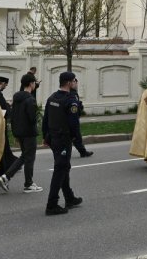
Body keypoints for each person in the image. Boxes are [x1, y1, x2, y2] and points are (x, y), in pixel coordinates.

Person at [41, 71, 84, 216]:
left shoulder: (52, 97)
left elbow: (45, 119)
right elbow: (74, 123)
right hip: (63, 139)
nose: (75, 83)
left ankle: (69, 197)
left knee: (64, 166)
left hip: (53, 138)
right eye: (74, 81)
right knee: (60, 168)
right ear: (69, 83)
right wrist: (76, 139)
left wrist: (45, 137)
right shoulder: (70, 100)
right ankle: (52, 204)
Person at [0, 73, 42, 193]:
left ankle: (6, 177)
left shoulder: (17, 97)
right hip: (29, 133)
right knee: (29, 158)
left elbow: (13, 115)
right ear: (31, 84)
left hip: (19, 132)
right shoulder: (30, 100)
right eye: (34, 83)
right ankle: (28, 184)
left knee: (24, 156)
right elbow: (32, 118)